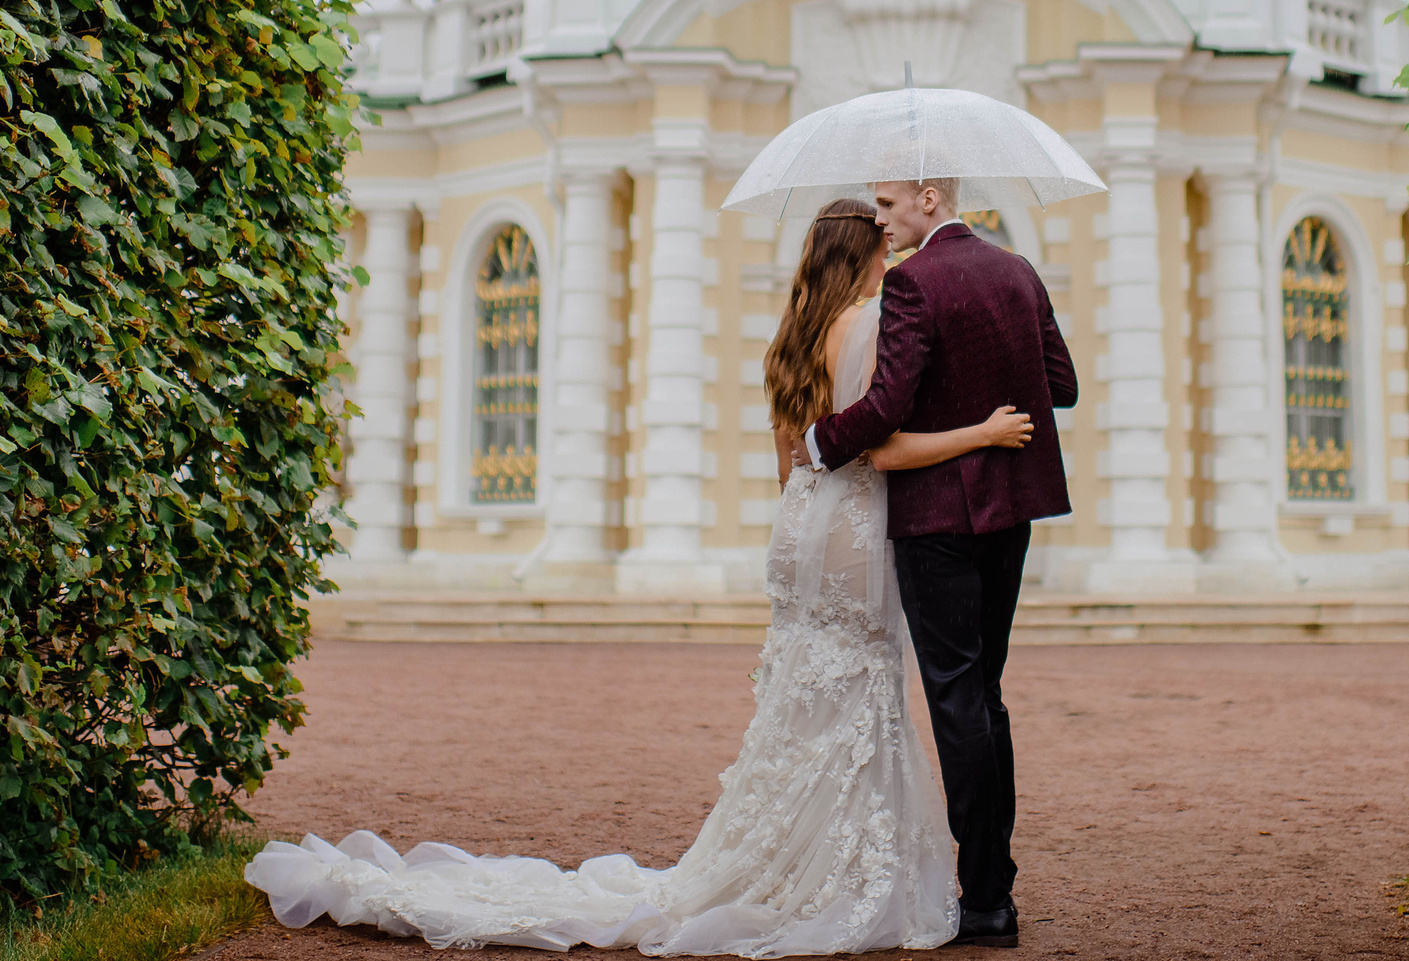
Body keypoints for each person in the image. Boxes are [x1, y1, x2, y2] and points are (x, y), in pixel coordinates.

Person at [241, 196, 1036, 956]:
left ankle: (797, 854)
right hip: (855, 527)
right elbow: (881, 449)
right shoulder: (867, 323)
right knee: (862, 687)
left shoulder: (793, 332)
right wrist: (985, 431)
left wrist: (805, 520)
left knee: (809, 692)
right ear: (860, 255)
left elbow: (790, 460)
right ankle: (837, 872)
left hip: (800, 524)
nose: (894, 252)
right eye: (883, 242)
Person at [798, 177, 1080, 952]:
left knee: (956, 698)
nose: (881, 222)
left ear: (929, 196)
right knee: (985, 694)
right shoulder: (1020, 270)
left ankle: (986, 899)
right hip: (1013, 512)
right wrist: (991, 410)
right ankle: (995, 888)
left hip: (937, 518)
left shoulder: (912, 283)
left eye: (888, 206)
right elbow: (1063, 385)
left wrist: (820, 443)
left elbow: (887, 407)